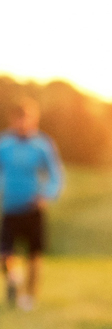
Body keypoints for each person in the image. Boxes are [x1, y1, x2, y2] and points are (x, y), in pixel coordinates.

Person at [1, 98, 64, 312]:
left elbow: (55, 175)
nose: (22, 124)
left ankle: (29, 296)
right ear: (13, 120)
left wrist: (46, 195)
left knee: (34, 255)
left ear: (33, 120)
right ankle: (14, 279)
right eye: (18, 119)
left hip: (33, 208)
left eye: (26, 119)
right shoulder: (4, 144)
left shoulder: (42, 145)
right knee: (5, 253)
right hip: (10, 207)